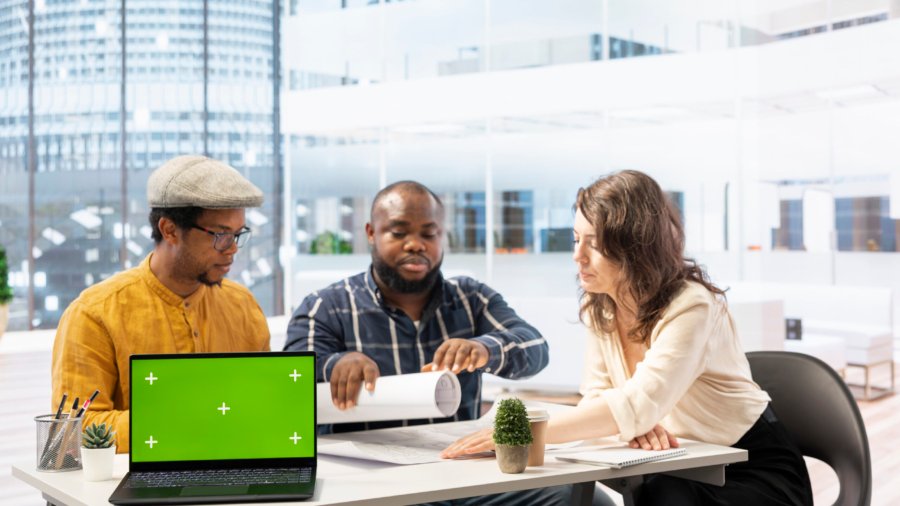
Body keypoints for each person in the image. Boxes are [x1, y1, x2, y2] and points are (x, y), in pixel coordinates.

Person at [442, 170, 813, 506]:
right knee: (654, 490)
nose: (578, 257)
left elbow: (635, 404)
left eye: (595, 244)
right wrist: (632, 421)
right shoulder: (604, 304)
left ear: (635, 245)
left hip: (748, 465)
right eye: (575, 239)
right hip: (677, 459)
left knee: (662, 495)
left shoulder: (693, 304)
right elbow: (600, 398)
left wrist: (528, 433)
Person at [285, 181, 572, 505]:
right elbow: (292, 373)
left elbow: (535, 347)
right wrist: (335, 363)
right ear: (370, 232)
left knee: (561, 494)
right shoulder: (327, 305)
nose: (415, 245)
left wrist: (484, 349)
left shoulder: (471, 298)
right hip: (374, 482)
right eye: (398, 232)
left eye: (429, 233)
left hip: (460, 471)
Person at [51, 155, 271, 453]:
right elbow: (73, 430)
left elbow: (261, 405)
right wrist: (180, 422)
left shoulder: (242, 305)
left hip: (234, 469)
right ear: (169, 230)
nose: (232, 249)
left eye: (238, 234)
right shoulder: (95, 313)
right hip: (134, 486)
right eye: (220, 235)